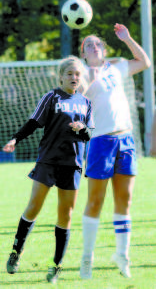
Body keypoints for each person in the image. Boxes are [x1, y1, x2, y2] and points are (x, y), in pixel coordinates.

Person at [3, 55, 94, 284]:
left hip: (72, 164)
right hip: (48, 161)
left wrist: (82, 128)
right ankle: (16, 251)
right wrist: (16, 139)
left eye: (78, 74)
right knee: (34, 206)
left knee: (66, 214)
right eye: (70, 74)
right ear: (61, 76)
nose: (74, 77)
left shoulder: (86, 103)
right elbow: (34, 122)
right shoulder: (52, 97)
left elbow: (89, 135)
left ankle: (56, 265)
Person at [78, 23, 151, 279]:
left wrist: (128, 38)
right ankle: (87, 258)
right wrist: (89, 81)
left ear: (104, 49)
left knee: (125, 201)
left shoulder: (117, 68)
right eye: (88, 45)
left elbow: (144, 62)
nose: (94, 47)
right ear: (84, 53)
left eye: (97, 43)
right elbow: (76, 100)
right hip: (101, 142)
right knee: (95, 202)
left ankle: (122, 255)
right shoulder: (82, 74)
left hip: (126, 140)